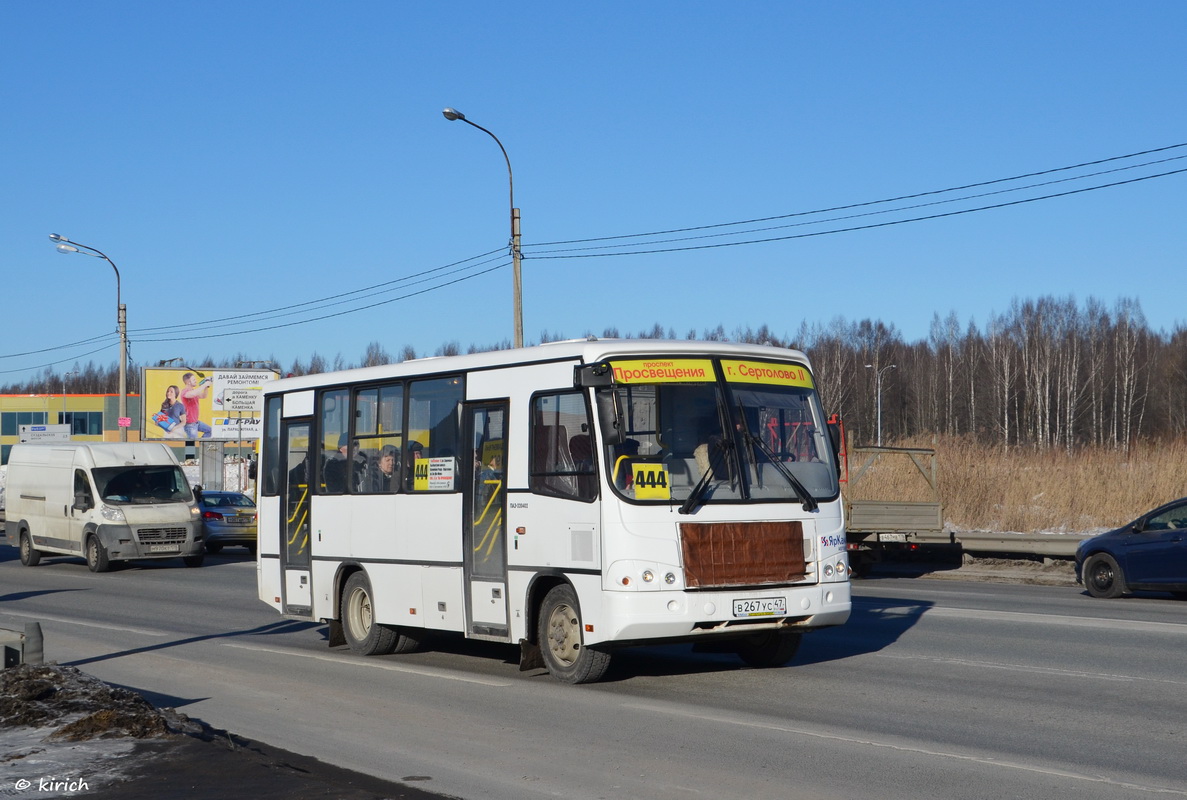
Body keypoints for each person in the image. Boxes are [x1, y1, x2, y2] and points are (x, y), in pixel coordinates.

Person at [180, 373, 213, 439]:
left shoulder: (193, 391)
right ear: (188, 382)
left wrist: (206, 387)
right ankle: (196, 447)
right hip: (189, 424)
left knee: (210, 431)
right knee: (191, 445)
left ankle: (200, 445)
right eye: (194, 379)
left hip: (196, 422)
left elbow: (204, 396)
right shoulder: (185, 392)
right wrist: (204, 384)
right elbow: (193, 394)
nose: (196, 381)